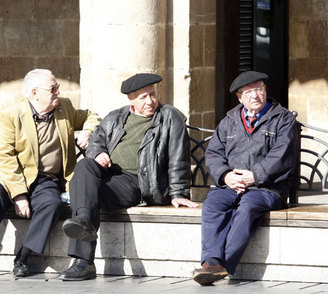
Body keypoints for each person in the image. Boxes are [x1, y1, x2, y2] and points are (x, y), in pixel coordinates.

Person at [0, 69, 101, 279]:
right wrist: (19, 195)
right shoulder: (10, 115)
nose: (57, 92)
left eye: (57, 88)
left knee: (51, 205)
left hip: (45, 178)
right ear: (35, 93)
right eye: (53, 88)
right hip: (9, 175)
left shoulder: (65, 107)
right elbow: (4, 157)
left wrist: (88, 131)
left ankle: (23, 258)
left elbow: (91, 116)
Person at [59, 73, 198, 281]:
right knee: (85, 165)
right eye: (143, 97)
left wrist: (178, 192)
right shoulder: (116, 116)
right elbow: (97, 139)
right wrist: (98, 152)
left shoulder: (170, 117)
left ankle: (83, 261)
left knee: (84, 195)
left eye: (152, 95)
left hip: (137, 182)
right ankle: (83, 222)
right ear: (131, 99)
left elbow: (179, 158)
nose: (150, 101)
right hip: (107, 175)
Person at [192, 71, 299, 285]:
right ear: (239, 97)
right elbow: (213, 154)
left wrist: (255, 176)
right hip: (232, 184)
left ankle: (221, 266)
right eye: (249, 92)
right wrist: (225, 175)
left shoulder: (284, 119)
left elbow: (282, 156)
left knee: (249, 205)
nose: (255, 96)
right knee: (213, 203)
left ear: (265, 90)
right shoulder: (229, 120)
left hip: (269, 188)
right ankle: (211, 261)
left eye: (259, 89)